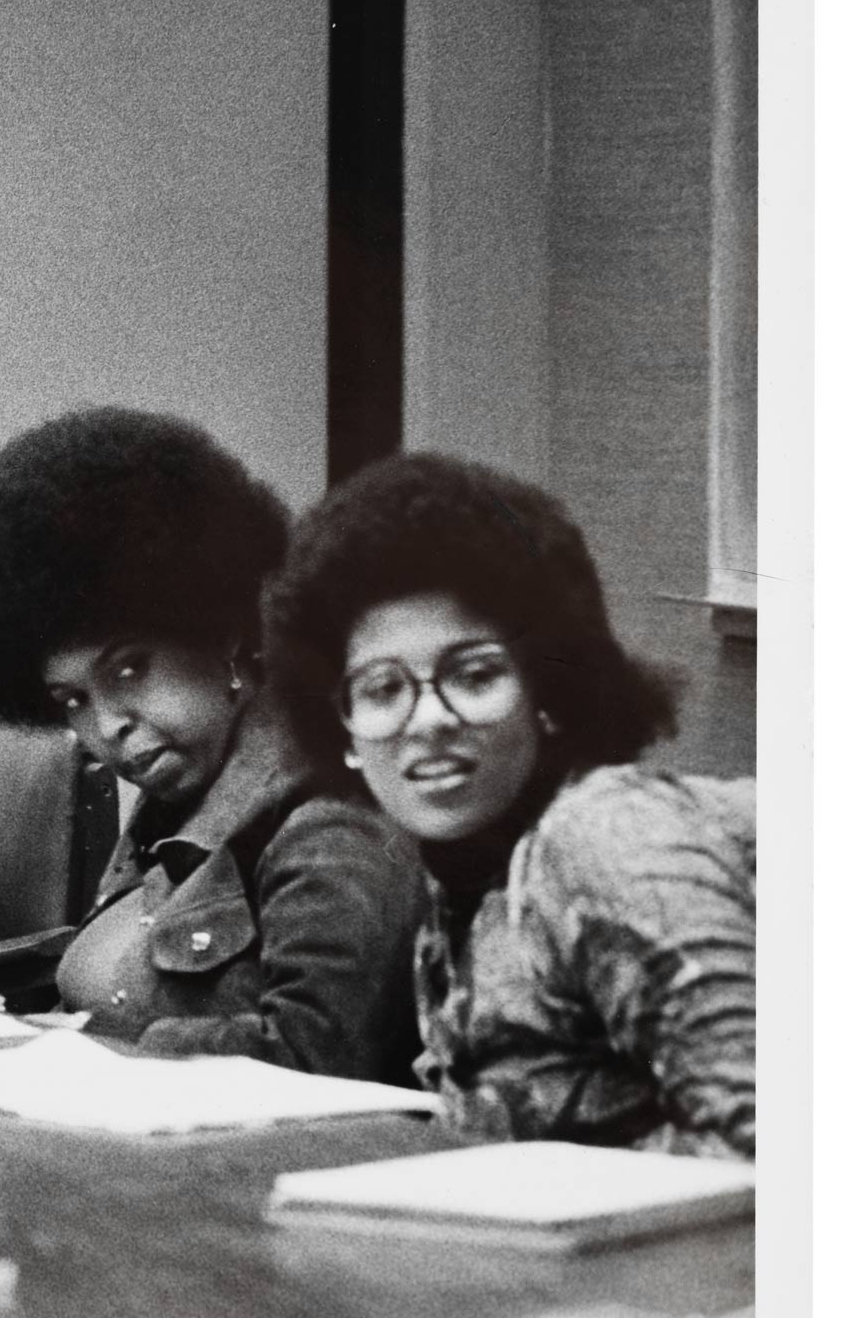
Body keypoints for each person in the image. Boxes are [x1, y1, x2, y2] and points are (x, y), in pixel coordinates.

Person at [263, 452, 754, 1158]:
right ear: (340, 730)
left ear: (546, 692)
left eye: (475, 674)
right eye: (381, 689)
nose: (428, 719)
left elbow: (781, 1151)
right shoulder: (455, 886)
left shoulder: (603, 837)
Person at [0, 407, 426, 1078]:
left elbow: (316, 1058)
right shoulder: (179, 797)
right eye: (72, 700)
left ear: (224, 633)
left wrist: (98, 1051)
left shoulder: (332, 816)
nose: (107, 727)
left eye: (129, 669)